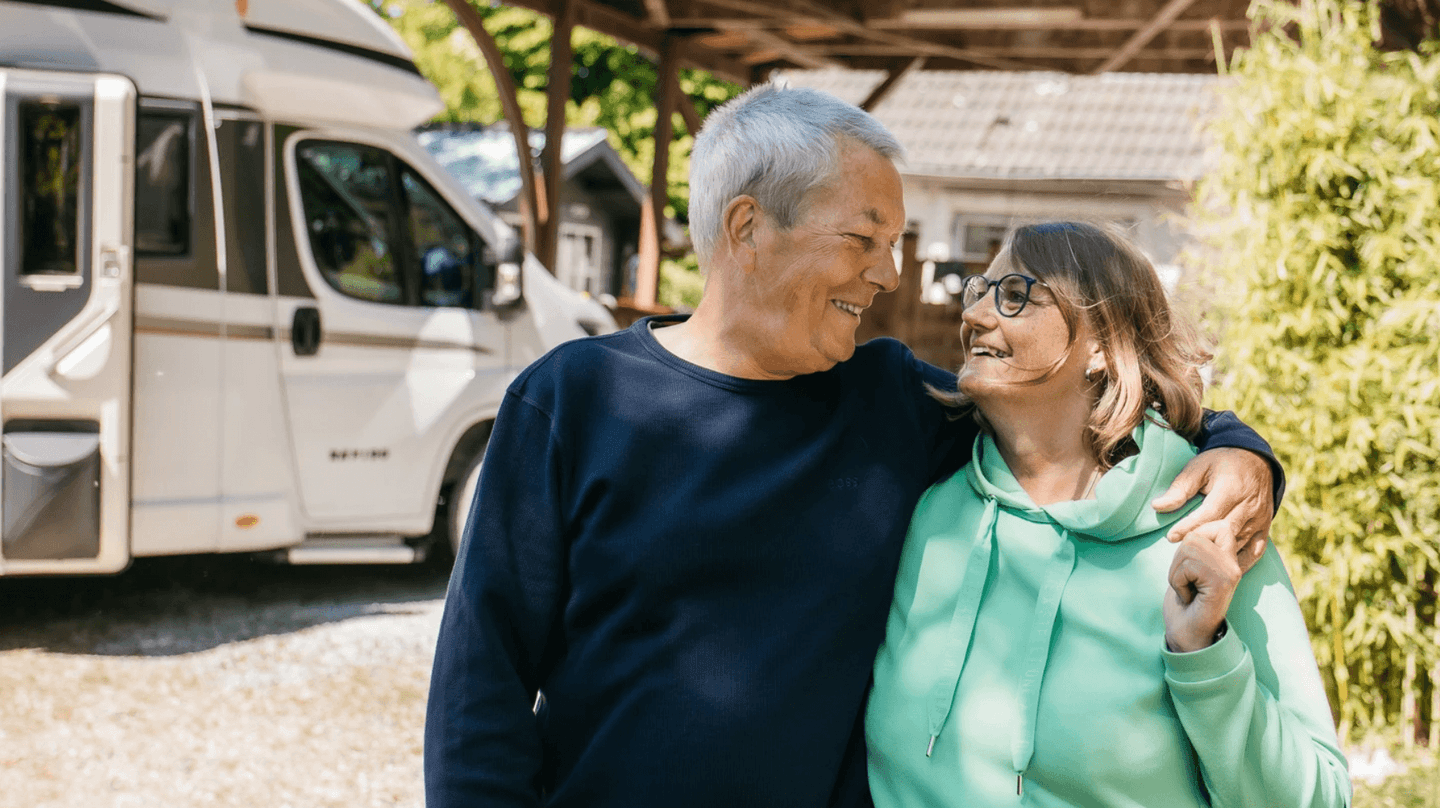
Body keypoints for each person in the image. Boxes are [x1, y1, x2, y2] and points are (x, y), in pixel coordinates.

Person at [424, 85, 1282, 808]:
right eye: (863, 240)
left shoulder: (889, 402)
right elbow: (480, 692)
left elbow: (1087, 399)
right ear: (748, 227)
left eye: (895, 244)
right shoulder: (573, 399)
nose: (891, 273)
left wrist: (1242, 449)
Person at [865, 222, 1350, 808]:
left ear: (1101, 343)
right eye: (979, 291)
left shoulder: (1212, 530)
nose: (976, 315)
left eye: (1015, 294)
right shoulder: (927, 505)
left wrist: (1204, 655)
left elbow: (1320, 798)